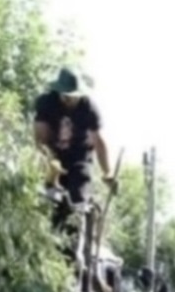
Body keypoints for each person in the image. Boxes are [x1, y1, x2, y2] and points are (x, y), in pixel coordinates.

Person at [31, 69, 113, 240]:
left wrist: (107, 173)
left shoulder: (88, 108)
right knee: (47, 199)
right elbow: (41, 140)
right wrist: (51, 163)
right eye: (65, 95)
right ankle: (43, 236)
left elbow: (98, 142)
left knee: (77, 199)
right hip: (52, 157)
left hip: (79, 160)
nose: (68, 99)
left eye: (73, 96)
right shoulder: (47, 103)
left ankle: (72, 246)